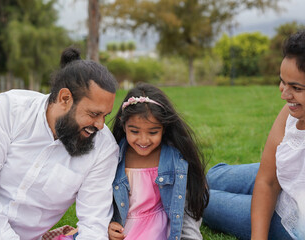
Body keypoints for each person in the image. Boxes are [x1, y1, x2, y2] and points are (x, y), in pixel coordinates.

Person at [0, 47, 119, 240]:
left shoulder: (104, 149)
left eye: (105, 115)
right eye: (94, 114)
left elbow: (94, 225)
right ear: (65, 99)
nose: (101, 125)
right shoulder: (10, 108)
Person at [202, 30, 305, 239]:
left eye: (296, 87)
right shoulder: (291, 113)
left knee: (199, 200)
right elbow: (267, 180)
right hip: (291, 180)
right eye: (283, 81)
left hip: (296, 219)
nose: (284, 94)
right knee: (213, 177)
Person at [106, 83, 209, 240]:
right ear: (123, 123)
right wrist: (106, 225)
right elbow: (99, 202)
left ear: (164, 128)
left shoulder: (176, 160)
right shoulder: (113, 158)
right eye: (134, 131)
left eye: (153, 132)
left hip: (159, 232)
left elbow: (187, 210)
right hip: (125, 232)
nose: (143, 140)